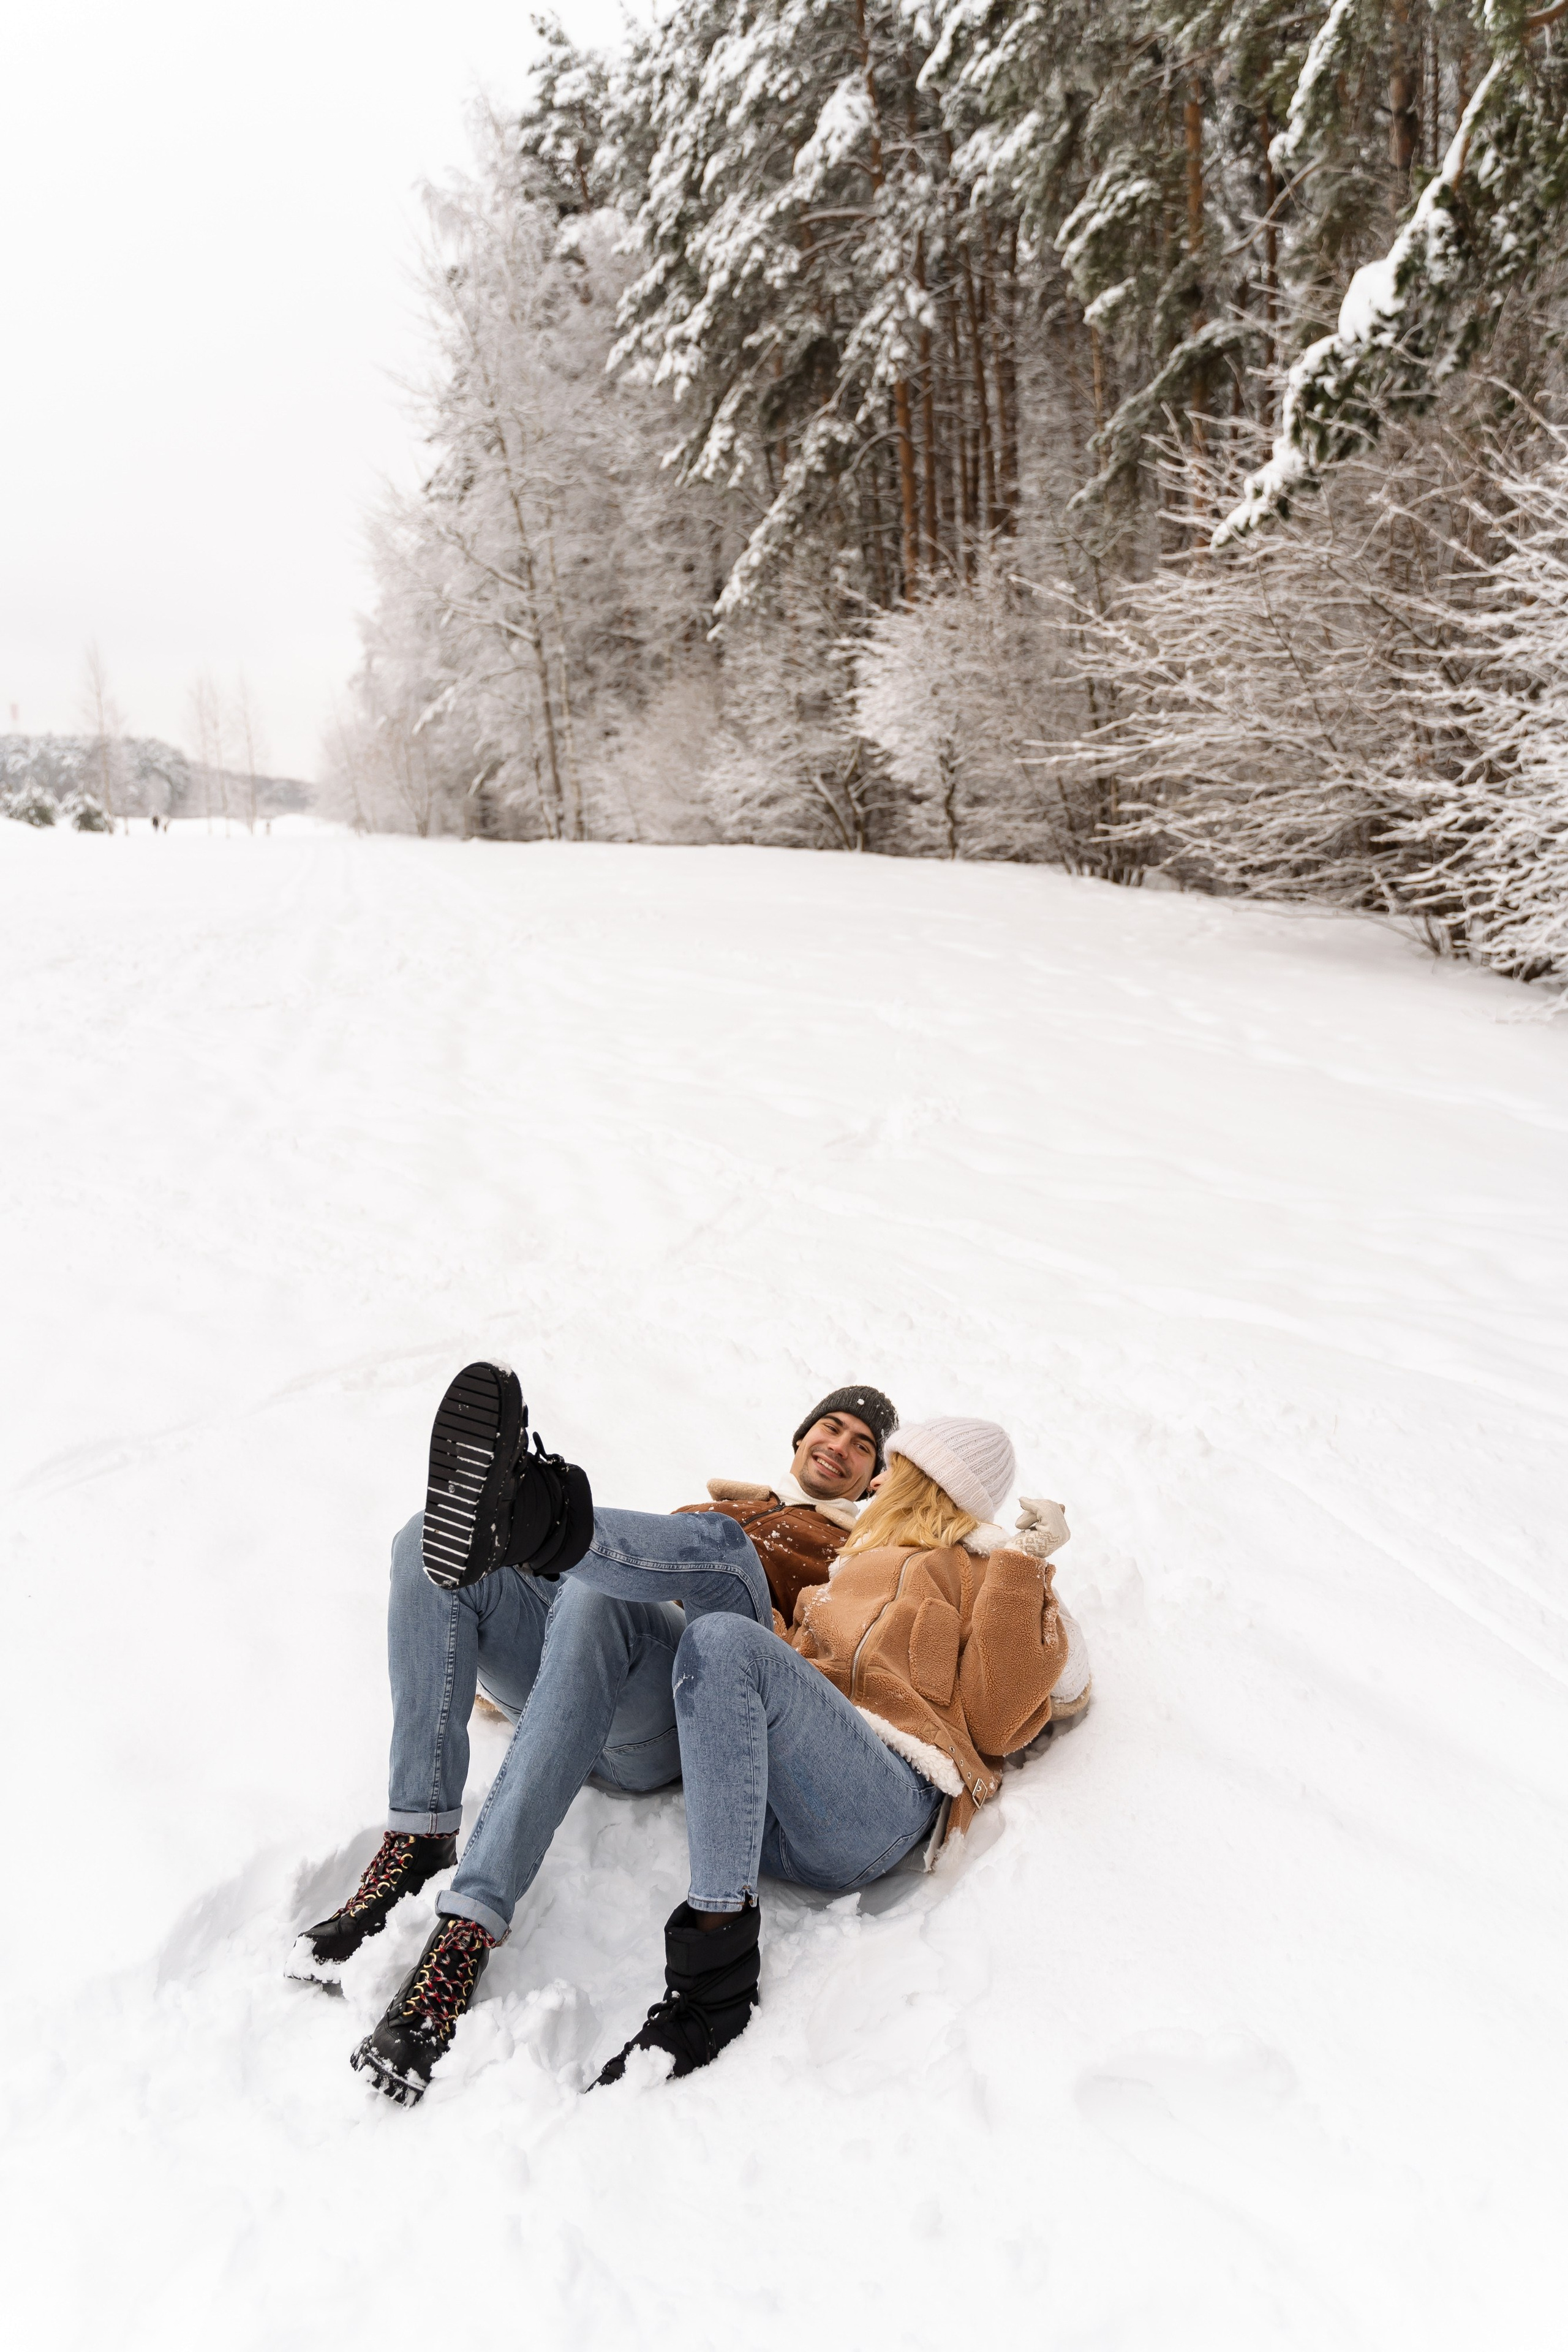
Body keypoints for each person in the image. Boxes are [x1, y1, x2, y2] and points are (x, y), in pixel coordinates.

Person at [338, 1370, 1089, 2105]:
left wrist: (1023, 1565)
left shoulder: (979, 1571)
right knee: (490, 1559)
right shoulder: (846, 1570)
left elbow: (1005, 1714)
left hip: (874, 1797)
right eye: (837, 1433)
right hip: (751, 1769)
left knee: (718, 1587)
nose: (867, 1465)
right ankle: (449, 1904)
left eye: (886, 1458)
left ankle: (540, 1519)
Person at [288, 1374, 897, 2018]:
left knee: (638, 1581)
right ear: (801, 1438)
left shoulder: (857, 1552)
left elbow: (824, 1671)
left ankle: (469, 1923)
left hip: (680, 1706)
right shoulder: (705, 1508)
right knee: (426, 1541)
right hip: (577, 1672)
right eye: (831, 1427)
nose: (840, 1445)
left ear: (873, 1481)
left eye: (863, 1446)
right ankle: (418, 1840)